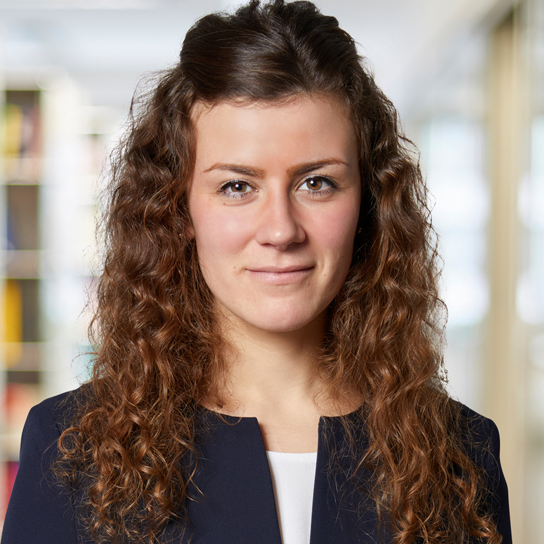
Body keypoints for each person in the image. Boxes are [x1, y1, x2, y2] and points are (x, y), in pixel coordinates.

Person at [2, 1, 512, 543]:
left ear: (368, 201)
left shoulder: (460, 454)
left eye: (316, 183)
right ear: (178, 208)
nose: (280, 230)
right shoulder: (72, 449)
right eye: (237, 187)